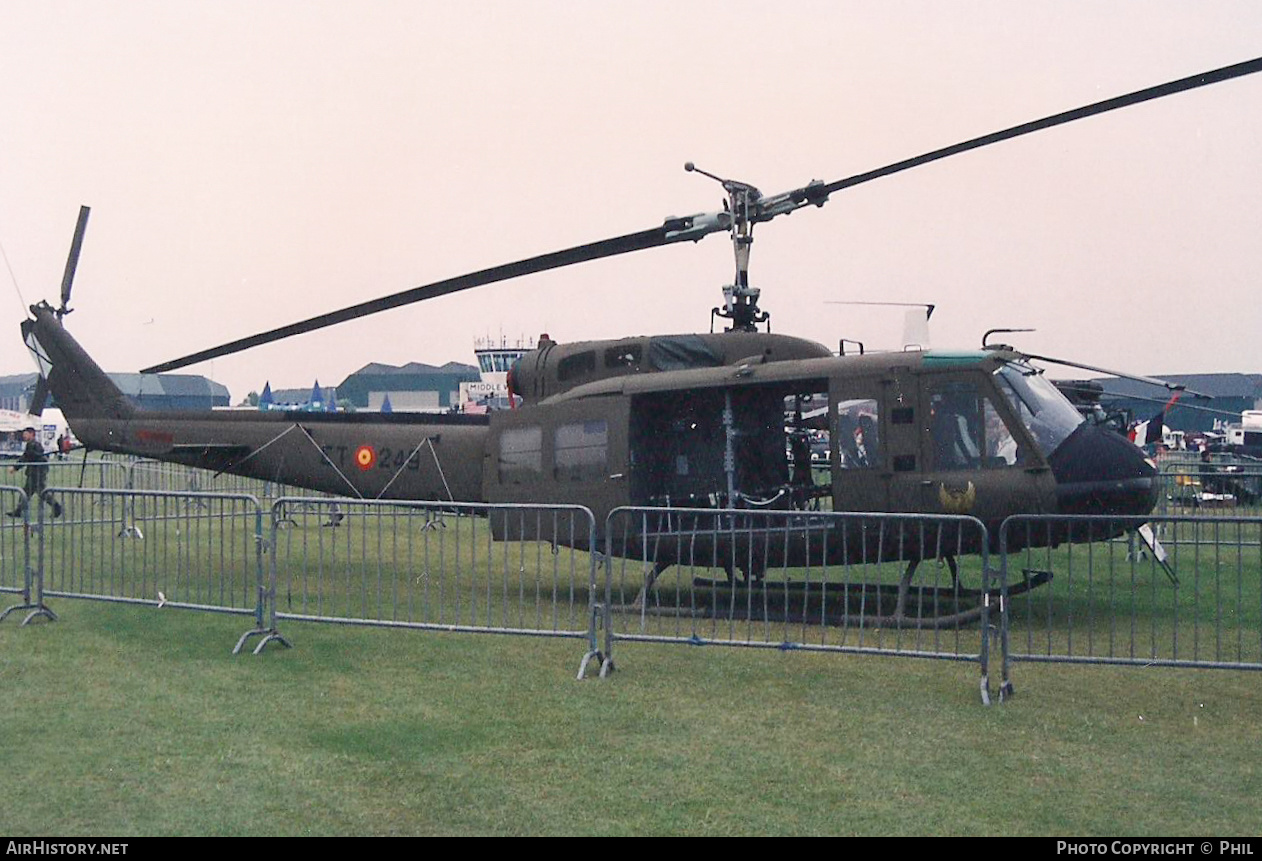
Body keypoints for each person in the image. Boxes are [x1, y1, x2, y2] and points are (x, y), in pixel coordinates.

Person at [8, 427, 62, 519]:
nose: (24, 436)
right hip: (34, 472)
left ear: (31, 434)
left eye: (26, 434)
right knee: (26, 492)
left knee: (40, 493)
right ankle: (18, 511)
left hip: (37, 473)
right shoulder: (32, 444)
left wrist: (15, 467)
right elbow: (29, 456)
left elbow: (26, 457)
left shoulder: (33, 444)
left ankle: (57, 507)